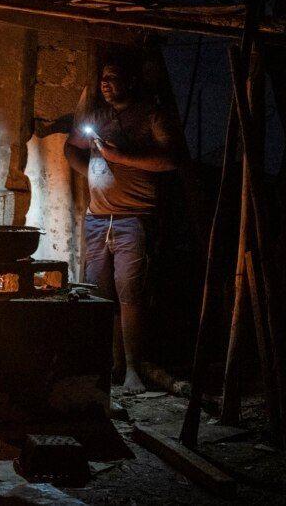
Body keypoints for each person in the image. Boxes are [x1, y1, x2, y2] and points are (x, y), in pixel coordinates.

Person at [64, 59, 180, 392]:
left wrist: (118, 159)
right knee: (100, 294)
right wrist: (90, 171)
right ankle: (107, 365)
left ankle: (132, 369)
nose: (105, 84)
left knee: (130, 294)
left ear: (130, 82)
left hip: (133, 219)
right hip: (97, 219)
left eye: (113, 78)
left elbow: (172, 159)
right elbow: (71, 147)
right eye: (102, 79)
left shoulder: (151, 116)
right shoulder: (98, 118)